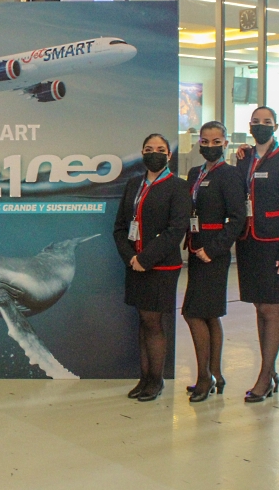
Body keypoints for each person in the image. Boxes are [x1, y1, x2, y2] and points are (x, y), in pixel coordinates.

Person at [113, 133, 191, 402]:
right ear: (142, 153)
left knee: (154, 322)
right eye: (148, 148)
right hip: (134, 265)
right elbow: (120, 227)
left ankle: (156, 381)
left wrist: (145, 259)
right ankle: (144, 378)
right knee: (143, 321)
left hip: (161, 267)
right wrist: (131, 258)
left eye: (160, 149)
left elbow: (176, 230)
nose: (154, 153)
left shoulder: (178, 187)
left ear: (169, 155)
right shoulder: (133, 184)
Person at [235, 107, 279, 403]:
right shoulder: (244, 158)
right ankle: (270, 371)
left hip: (276, 244)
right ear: (249, 125)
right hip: (249, 242)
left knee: (271, 310)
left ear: (276, 126)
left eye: (267, 122)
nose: (261, 126)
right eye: (256, 122)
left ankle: (265, 376)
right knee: (259, 308)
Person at [181, 121, 246, 403]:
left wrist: (215, 249)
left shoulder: (230, 175)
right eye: (205, 142)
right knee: (209, 314)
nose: (210, 146)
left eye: (216, 142)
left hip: (213, 254)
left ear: (225, 143)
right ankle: (216, 374)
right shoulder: (195, 173)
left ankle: (204, 378)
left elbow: (237, 218)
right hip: (196, 250)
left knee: (193, 313)